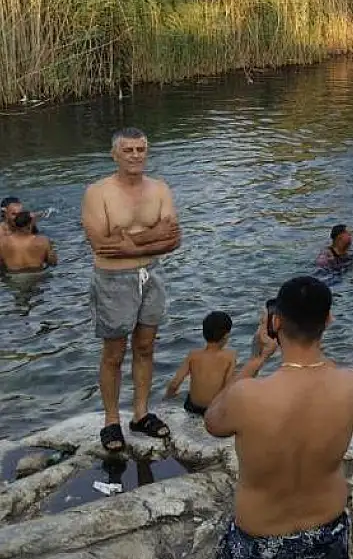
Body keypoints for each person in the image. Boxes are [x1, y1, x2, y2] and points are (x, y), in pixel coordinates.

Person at [206, 276, 353, 559]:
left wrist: (255, 360)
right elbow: (318, 376)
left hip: (259, 540)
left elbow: (213, 421)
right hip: (327, 530)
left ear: (275, 323)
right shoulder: (352, 383)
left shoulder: (247, 395)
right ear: (329, 319)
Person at [81, 128, 181, 453]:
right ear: (115, 154)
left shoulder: (160, 189)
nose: (136, 155)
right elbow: (101, 245)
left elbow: (174, 239)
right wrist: (152, 236)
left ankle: (140, 413)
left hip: (151, 275)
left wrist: (129, 244)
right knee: (113, 353)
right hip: (113, 281)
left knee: (146, 346)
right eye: (129, 150)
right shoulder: (98, 193)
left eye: (141, 149)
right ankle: (111, 421)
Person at [165, 311, 237, 416]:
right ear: (226, 336)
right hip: (214, 408)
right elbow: (228, 386)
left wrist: (167, 398)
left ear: (204, 333)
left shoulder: (193, 355)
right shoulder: (230, 356)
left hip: (192, 407)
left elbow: (175, 383)